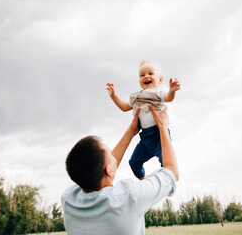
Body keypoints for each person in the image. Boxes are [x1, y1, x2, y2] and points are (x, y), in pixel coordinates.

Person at [61, 105, 179, 235]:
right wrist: (163, 127)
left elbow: (99, 168)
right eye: (110, 153)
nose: (113, 155)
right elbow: (171, 172)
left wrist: (131, 131)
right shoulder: (128, 197)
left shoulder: (69, 200)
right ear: (109, 170)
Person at [106, 59, 181, 179]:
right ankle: (143, 178)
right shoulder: (138, 97)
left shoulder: (159, 91)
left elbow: (168, 98)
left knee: (166, 163)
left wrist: (172, 90)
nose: (146, 76)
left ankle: (168, 181)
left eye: (150, 74)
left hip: (159, 136)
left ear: (160, 80)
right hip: (145, 138)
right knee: (133, 162)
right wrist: (114, 96)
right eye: (142, 75)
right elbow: (125, 107)